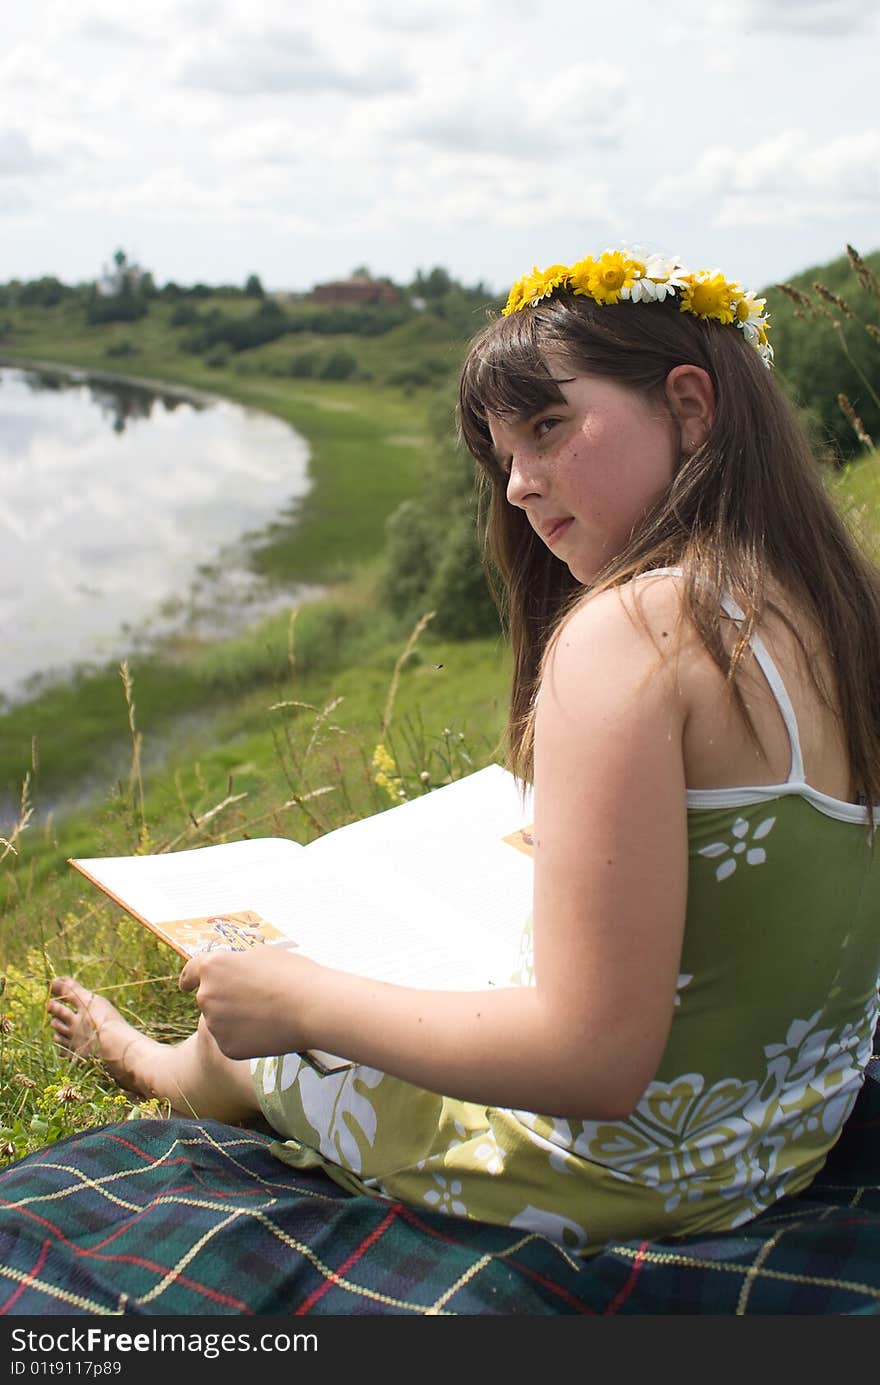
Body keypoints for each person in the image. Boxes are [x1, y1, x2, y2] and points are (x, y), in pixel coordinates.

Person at [47, 247, 880, 1256]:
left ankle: (163, 1067)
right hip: (772, 1139)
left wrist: (294, 997)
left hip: (612, 1176)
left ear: (691, 407)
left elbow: (593, 1061)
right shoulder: (831, 602)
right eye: (501, 453)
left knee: (258, 1034)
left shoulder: (633, 632)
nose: (521, 485)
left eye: (548, 427)